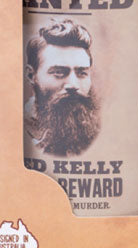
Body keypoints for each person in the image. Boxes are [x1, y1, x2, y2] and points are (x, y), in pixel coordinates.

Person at [24, 19, 100, 156]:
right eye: (59, 73)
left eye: (82, 73)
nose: (73, 85)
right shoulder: (17, 130)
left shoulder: (98, 130)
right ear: (31, 75)